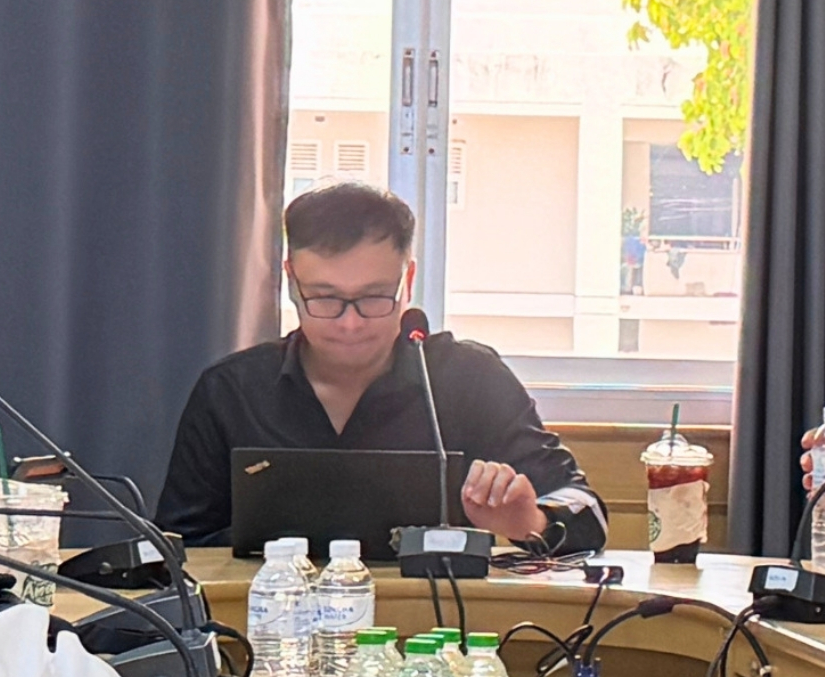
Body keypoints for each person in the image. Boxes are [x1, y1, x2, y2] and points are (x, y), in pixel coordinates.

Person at [159, 182, 605, 550]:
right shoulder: (231, 391)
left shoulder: (470, 379)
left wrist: (532, 521)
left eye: (374, 297)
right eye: (325, 298)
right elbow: (177, 546)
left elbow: (587, 509)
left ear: (407, 280)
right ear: (291, 281)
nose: (350, 324)